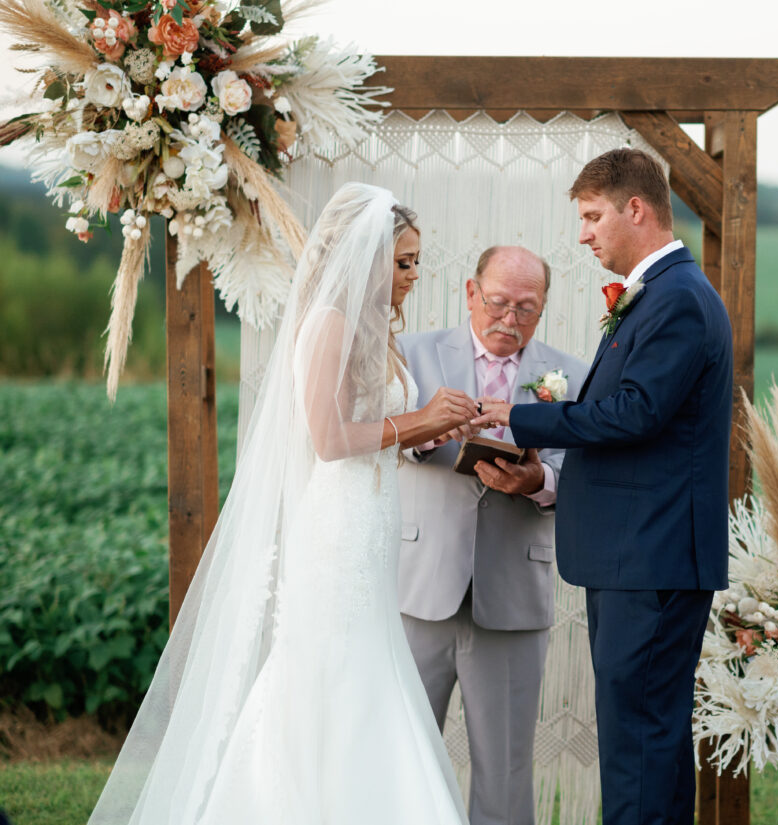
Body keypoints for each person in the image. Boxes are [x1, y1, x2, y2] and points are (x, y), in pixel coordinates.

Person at [88, 184, 477, 824]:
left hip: (373, 522)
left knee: (367, 661)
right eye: (403, 261)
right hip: (339, 526)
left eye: (415, 261)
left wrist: (436, 427)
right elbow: (328, 441)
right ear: (365, 259)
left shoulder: (377, 331)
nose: (414, 274)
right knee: (332, 667)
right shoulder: (328, 322)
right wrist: (417, 421)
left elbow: (378, 433)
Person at [474, 149, 733, 825]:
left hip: (647, 560)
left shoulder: (675, 299)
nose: (584, 233)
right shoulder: (664, 293)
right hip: (640, 557)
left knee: (636, 748)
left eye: (593, 216)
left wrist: (513, 412)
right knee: (651, 742)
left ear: (636, 209)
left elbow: (633, 414)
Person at [397, 246, 587, 825]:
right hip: (418, 587)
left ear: (544, 307)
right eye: (499, 303)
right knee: (402, 754)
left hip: (512, 595)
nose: (509, 319)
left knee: (505, 766)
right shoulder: (411, 352)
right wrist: (430, 431)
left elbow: (579, 474)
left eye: (526, 309)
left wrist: (538, 481)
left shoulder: (570, 374)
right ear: (471, 292)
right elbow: (380, 444)